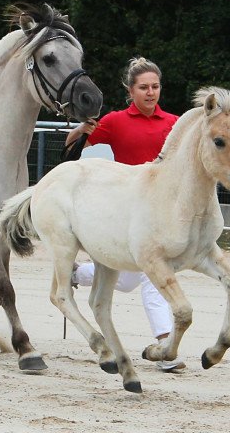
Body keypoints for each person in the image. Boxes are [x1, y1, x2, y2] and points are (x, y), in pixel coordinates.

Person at [65, 57, 185, 371]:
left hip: (161, 212)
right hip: (128, 211)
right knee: (152, 276)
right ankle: (164, 342)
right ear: (130, 91)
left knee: (130, 279)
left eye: (155, 86)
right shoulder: (115, 121)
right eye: (143, 87)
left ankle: (78, 274)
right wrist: (81, 130)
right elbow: (71, 150)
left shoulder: (174, 123)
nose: (150, 92)